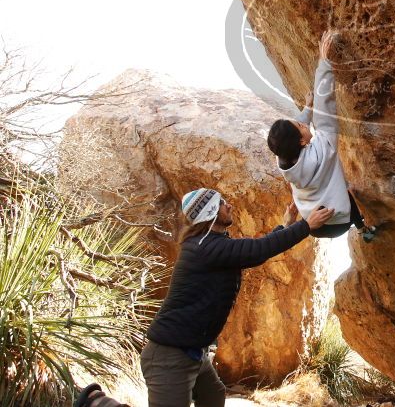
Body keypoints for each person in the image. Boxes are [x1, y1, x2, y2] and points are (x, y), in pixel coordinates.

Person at [140, 187, 334, 407]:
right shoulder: (204, 247)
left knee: (213, 396)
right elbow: (257, 250)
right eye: (222, 202)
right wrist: (306, 226)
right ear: (211, 211)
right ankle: (97, 401)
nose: (229, 205)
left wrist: (285, 225)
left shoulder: (209, 244)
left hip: (193, 352)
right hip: (169, 357)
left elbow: (253, 249)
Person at [267, 30, 376, 241]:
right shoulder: (323, 149)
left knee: (340, 189)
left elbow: (295, 131)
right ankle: (364, 231)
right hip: (338, 221)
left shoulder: (285, 161)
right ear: (301, 141)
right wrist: (324, 63)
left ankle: (361, 228)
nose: (302, 121)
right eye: (300, 124)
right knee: (345, 193)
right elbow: (325, 108)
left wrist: (307, 109)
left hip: (312, 224)